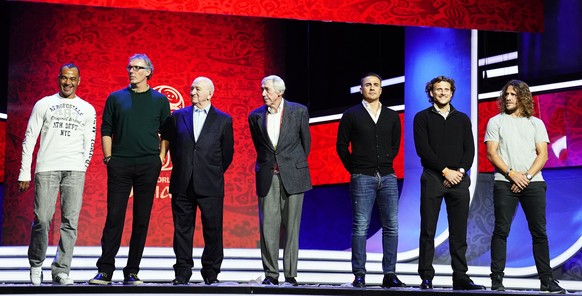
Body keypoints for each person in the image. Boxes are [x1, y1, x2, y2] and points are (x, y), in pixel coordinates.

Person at [89, 54, 170, 285]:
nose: (131, 71)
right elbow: (106, 128)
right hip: (120, 164)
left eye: (137, 67)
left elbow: (167, 131)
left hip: (148, 164)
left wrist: (161, 156)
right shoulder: (116, 98)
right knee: (114, 217)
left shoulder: (160, 100)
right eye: (130, 67)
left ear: (148, 72)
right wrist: (108, 158)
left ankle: (132, 271)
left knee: (141, 219)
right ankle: (105, 270)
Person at [18, 63, 96, 286]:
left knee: (70, 222)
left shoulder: (87, 109)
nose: (68, 82)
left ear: (78, 81)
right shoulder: (44, 104)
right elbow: (30, 137)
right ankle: (36, 264)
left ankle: (61, 269)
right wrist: (25, 172)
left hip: (74, 170)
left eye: (72, 79)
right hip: (47, 168)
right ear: (58, 79)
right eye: (64, 78)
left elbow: (89, 142)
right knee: (42, 219)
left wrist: (83, 165)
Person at [485, 80, 566, 293]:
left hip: (533, 183)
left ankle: (547, 281)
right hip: (505, 182)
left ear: (522, 97)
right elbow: (492, 153)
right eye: (506, 94)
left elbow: (543, 154)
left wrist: (526, 177)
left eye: (513, 94)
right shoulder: (496, 121)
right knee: (501, 231)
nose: (509, 97)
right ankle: (497, 280)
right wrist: (512, 175)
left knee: (539, 232)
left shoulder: (536, 123)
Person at [413, 76, 484, 290]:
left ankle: (460, 277)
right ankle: (426, 276)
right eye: (438, 89)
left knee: (459, 231)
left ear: (452, 93)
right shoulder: (421, 118)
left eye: (446, 89)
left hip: (459, 180)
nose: (443, 92)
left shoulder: (462, 118)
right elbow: (423, 150)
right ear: (431, 93)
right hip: (433, 177)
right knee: (428, 229)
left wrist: (459, 172)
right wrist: (445, 171)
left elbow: (469, 150)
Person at [336, 73, 406, 289]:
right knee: (360, 227)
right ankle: (359, 274)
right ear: (361, 89)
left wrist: (383, 163)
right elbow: (341, 146)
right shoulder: (351, 115)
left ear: (381, 89)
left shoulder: (392, 116)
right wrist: (355, 168)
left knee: (391, 226)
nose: (372, 88)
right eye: (368, 85)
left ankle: (390, 274)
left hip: (387, 176)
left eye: (376, 85)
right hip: (361, 176)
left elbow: (395, 146)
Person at [162, 77, 234, 285]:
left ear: (209, 93)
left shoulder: (223, 119)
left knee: (212, 229)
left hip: (210, 183)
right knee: (182, 229)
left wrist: (211, 172)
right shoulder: (178, 116)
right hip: (182, 182)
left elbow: (227, 154)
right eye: (192, 88)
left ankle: (211, 272)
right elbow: (173, 146)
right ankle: (182, 272)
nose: (192, 91)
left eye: (197, 89)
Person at [248, 75, 312, 286]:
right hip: (268, 175)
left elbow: (306, 144)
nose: (263, 94)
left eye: (267, 90)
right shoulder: (255, 116)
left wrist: (290, 164)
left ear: (280, 92)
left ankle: (291, 274)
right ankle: (270, 274)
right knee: (268, 227)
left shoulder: (299, 111)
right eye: (262, 90)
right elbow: (260, 147)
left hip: (294, 174)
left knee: (292, 227)